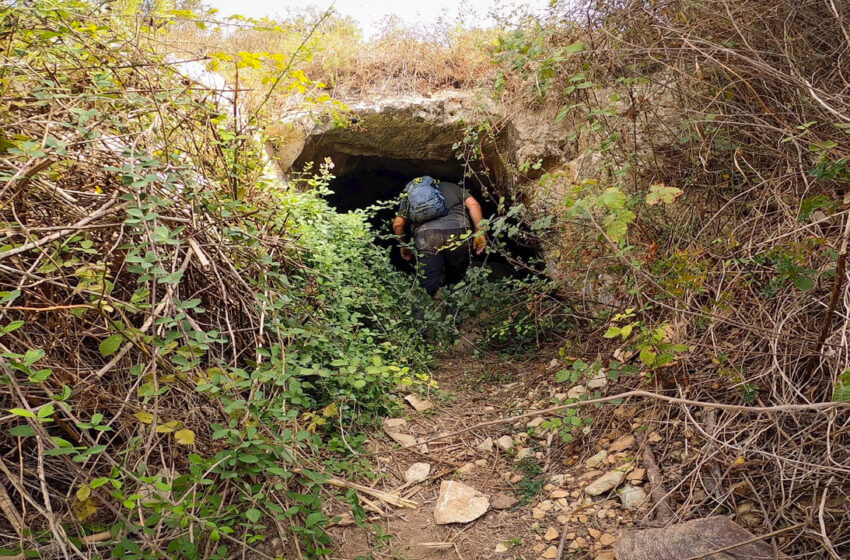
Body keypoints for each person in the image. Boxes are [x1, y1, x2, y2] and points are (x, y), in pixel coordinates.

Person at [393, 179, 486, 297]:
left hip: (428, 236)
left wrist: (404, 246)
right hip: (458, 231)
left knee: (427, 287)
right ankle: (457, 308)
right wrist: (479, 233)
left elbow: (398, 224)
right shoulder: (453, 187)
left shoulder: (413, 193)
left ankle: (428, 307)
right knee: (457, 280)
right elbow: (474, 205)